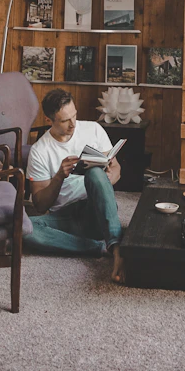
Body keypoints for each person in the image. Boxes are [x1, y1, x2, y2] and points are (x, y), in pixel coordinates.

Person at [24, 88, 124, 282]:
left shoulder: (93, 129)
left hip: (95, 209)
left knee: (95, 173)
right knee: (21, 228)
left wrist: (108, 179)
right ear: (49, 120)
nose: (73, 124)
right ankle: (98, 247)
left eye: (74, 116)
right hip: (66, 218)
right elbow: (40, 205)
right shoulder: (39, 151)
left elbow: (116, 167)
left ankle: (116, 248)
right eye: (64, 120)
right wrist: (59, 176)